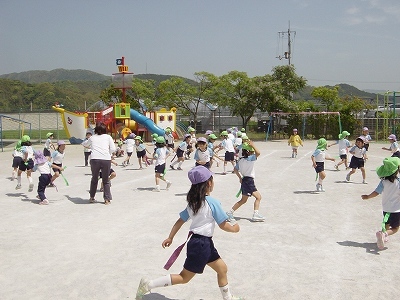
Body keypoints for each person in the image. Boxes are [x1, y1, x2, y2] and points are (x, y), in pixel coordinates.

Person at [135, 166, 243, 300]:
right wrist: (235, 228)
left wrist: (170, 237)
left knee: (222, 269)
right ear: (209, 183)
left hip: (203, 243)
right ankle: (148, 285)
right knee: (184, 277)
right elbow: (223, 225)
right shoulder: (212, 203)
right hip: (201, 245)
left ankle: (228, 298)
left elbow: (180, 220)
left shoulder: (193, 203)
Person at [361, 157, 400, 250]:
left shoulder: (383, 181)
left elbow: (376, 192)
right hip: (397, 210)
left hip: (386, 208)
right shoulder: (398, 182)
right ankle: (384, 234)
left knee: (386, 224)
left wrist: (368, 196)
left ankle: (383, 237)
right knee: (395, 228)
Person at [227, 140, 265, 222]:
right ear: (248, 152)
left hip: (245, 180)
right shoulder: (250, 158)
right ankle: (255, 214)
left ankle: (230, 213)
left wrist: (240, 178)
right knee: (258, 197)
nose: (252, 152)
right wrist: (253, 145)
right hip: (249, 181)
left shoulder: (240, 160)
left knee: (243, 200)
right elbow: (258, 153)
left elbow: (235, 169)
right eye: (251, 150)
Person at [81, 122, 116, 205]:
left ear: (96, 130)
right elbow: (113, 148)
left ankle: (92, 197)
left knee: (94, 178)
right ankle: (107, 199)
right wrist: (108, 154)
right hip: (106, 159)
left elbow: (84, 144)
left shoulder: (92, 138)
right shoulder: (108, 137)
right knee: (106, 180)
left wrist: (89, 145)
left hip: (94, 159)